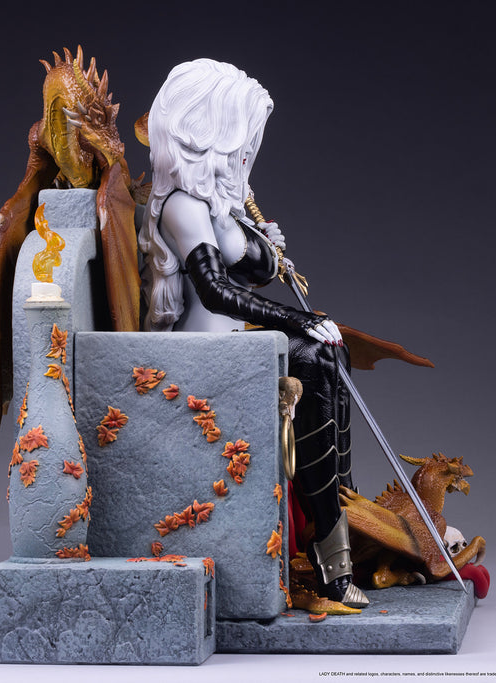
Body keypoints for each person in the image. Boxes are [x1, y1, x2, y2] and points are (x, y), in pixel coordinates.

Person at [139, 59, 368, 608]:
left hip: (238, 341)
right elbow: (216, 290)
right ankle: (331, 555)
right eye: (241, 140)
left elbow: (249, 268)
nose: (247, 154)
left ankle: (346, 510)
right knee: (312, 355)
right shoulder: (182, 206)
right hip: (206, 354)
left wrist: (263, 244)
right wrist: (296, 319)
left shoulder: (222, 205)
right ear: (207, 137)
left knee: (331, 354)